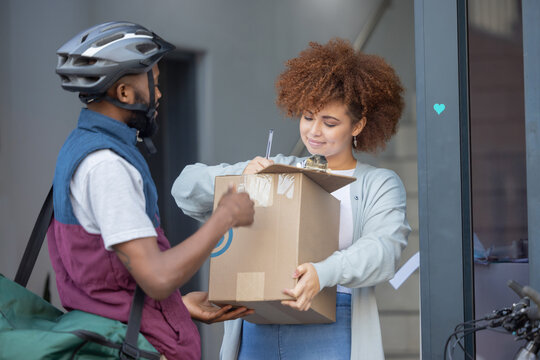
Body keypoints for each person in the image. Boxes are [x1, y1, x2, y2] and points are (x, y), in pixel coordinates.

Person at [172, 38, 411, 360]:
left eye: (330, 123)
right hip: (256, 321)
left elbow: (385, 251)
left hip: (331, 324)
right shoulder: (277, 170)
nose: (314, 131)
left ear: (359, 125)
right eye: (308, 116)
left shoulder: (377, 183)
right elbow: (184, 188)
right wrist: (244, 175)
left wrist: (323, 272)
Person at [48, 21, 255, 360]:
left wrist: (176, 308)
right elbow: (156, 277)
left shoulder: (81, 147)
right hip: (137, 349)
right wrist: (224, 218)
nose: (158, 94)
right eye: (154, 83)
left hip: (128, 334)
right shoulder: (107, 166)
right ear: (125, 93)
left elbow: (109, 282)